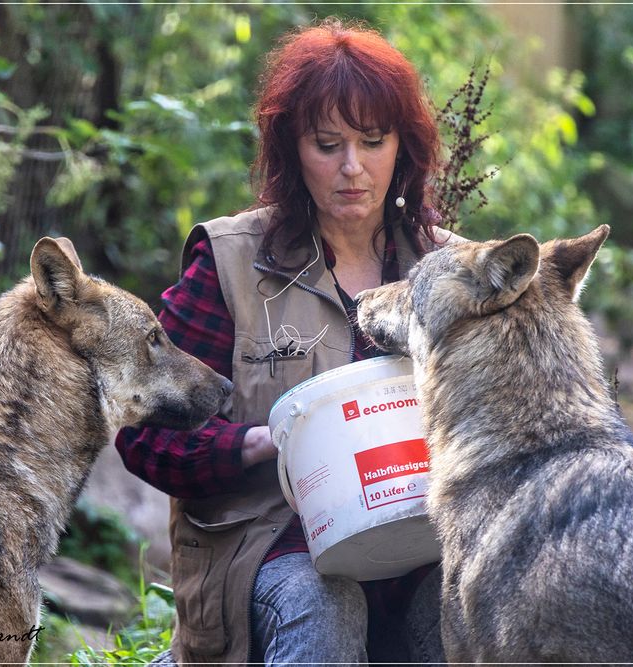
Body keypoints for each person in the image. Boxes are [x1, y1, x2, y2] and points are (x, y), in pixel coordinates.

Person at [117, 17, 462, 665]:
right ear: (290, 150)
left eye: (373, 140)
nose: (352, 167)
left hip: (423, 541)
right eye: (327, 143)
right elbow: (143, 432)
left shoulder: (451, 273)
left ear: (404, 147)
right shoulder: (231, 264)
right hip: (269, 548)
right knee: (324, 598)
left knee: (477, 596)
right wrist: (259, 441)